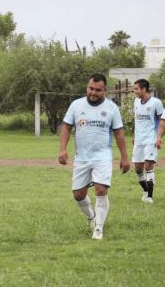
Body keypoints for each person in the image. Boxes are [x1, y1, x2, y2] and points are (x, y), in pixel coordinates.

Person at [58, 73, 130, 240]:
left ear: (105, 91)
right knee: (78, 195)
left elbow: (119, 133)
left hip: (102, 155)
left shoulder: (112, 108)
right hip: (82, 157)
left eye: (98, 90)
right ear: (87, 87)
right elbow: (67, 127)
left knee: (100, 189)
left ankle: (98, 229)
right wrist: (62, 149)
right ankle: (91, 217)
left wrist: (124, 157)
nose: (93, 92)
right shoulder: (76, 105)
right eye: (91, 88)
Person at [132, 79, 164, 203]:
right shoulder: (136, 101)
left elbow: (162, 121)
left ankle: (150, 196)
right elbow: (136, 119)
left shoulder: (156, 102)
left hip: (151, 138)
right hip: (139, 139)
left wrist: (159, 137)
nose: (134, 91)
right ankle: (145, 191)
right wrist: (134, 135)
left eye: (136, 89)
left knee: (148, 166)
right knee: (138, 169)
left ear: (144, 89)